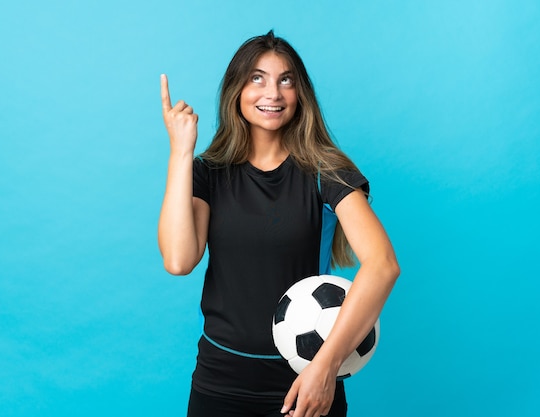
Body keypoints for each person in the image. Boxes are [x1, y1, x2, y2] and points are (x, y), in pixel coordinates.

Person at [158, 30, 400, 417]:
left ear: (299, 93)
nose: (272, 93)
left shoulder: (327, 173)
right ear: (236, 90)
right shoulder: (209, 173)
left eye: (285, 80)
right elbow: (178, 260)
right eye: (257, 78)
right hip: (220, 383)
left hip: (306, 387)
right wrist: (181, 152)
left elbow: (383, 264)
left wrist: (326, 366)